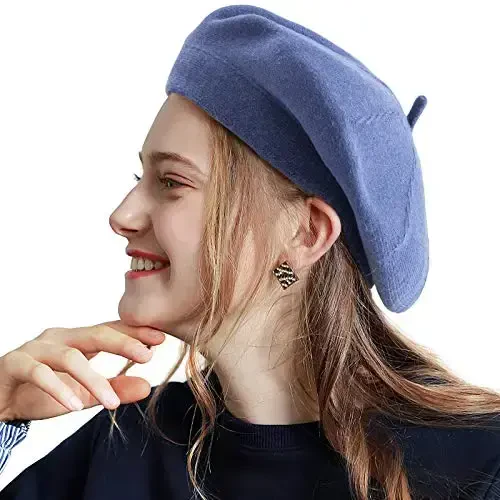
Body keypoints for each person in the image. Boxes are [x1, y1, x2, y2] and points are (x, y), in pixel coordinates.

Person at [1, 5, 500, 500]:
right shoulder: (123, 446)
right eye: (140, 178)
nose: (122, 215)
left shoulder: (478, 469)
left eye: (171, 182)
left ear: (305, 234)